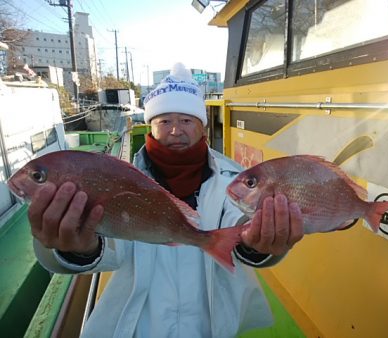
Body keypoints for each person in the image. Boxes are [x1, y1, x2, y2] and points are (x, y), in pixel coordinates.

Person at [29, 63, 304, 338]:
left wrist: (258, 243)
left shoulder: (233, 177)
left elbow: (240, 221)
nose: (175, 131)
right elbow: (112, 248)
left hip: (211, 327)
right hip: (141, 327)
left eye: (186, 120)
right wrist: (77, 247)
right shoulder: (124, 178)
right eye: (164, 121)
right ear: (150, 125)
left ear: (202, 127)